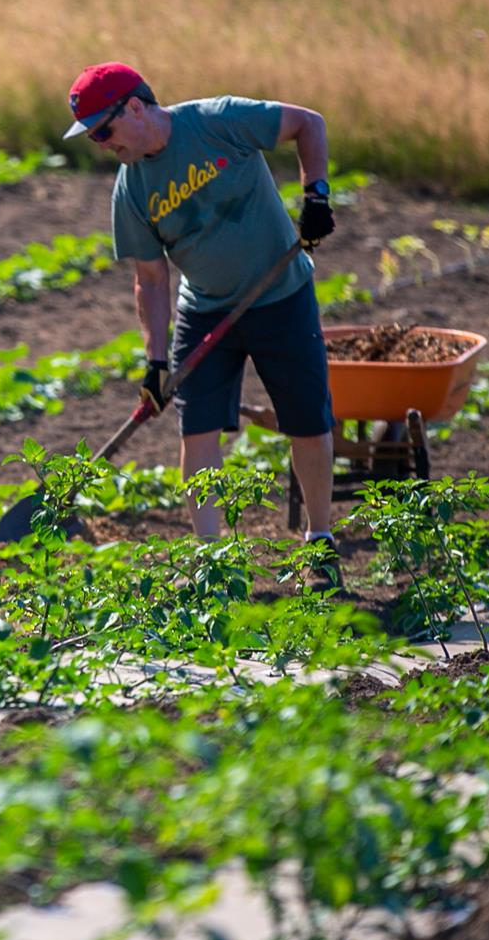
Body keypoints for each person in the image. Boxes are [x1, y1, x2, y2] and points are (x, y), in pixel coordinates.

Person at [62, 62, 340, 577]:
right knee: (198, 431)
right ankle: (211, 559)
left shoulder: (219, 121)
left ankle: (318, 541)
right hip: (206, 308)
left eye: (104, 129)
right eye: (92, 136)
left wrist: (315, 195)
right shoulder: (131, 189)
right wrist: (154, 362)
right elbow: (151, 279)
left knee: (307, 421)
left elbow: (309, 123)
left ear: (137, 107)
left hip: (281, 292)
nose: (102, 144)